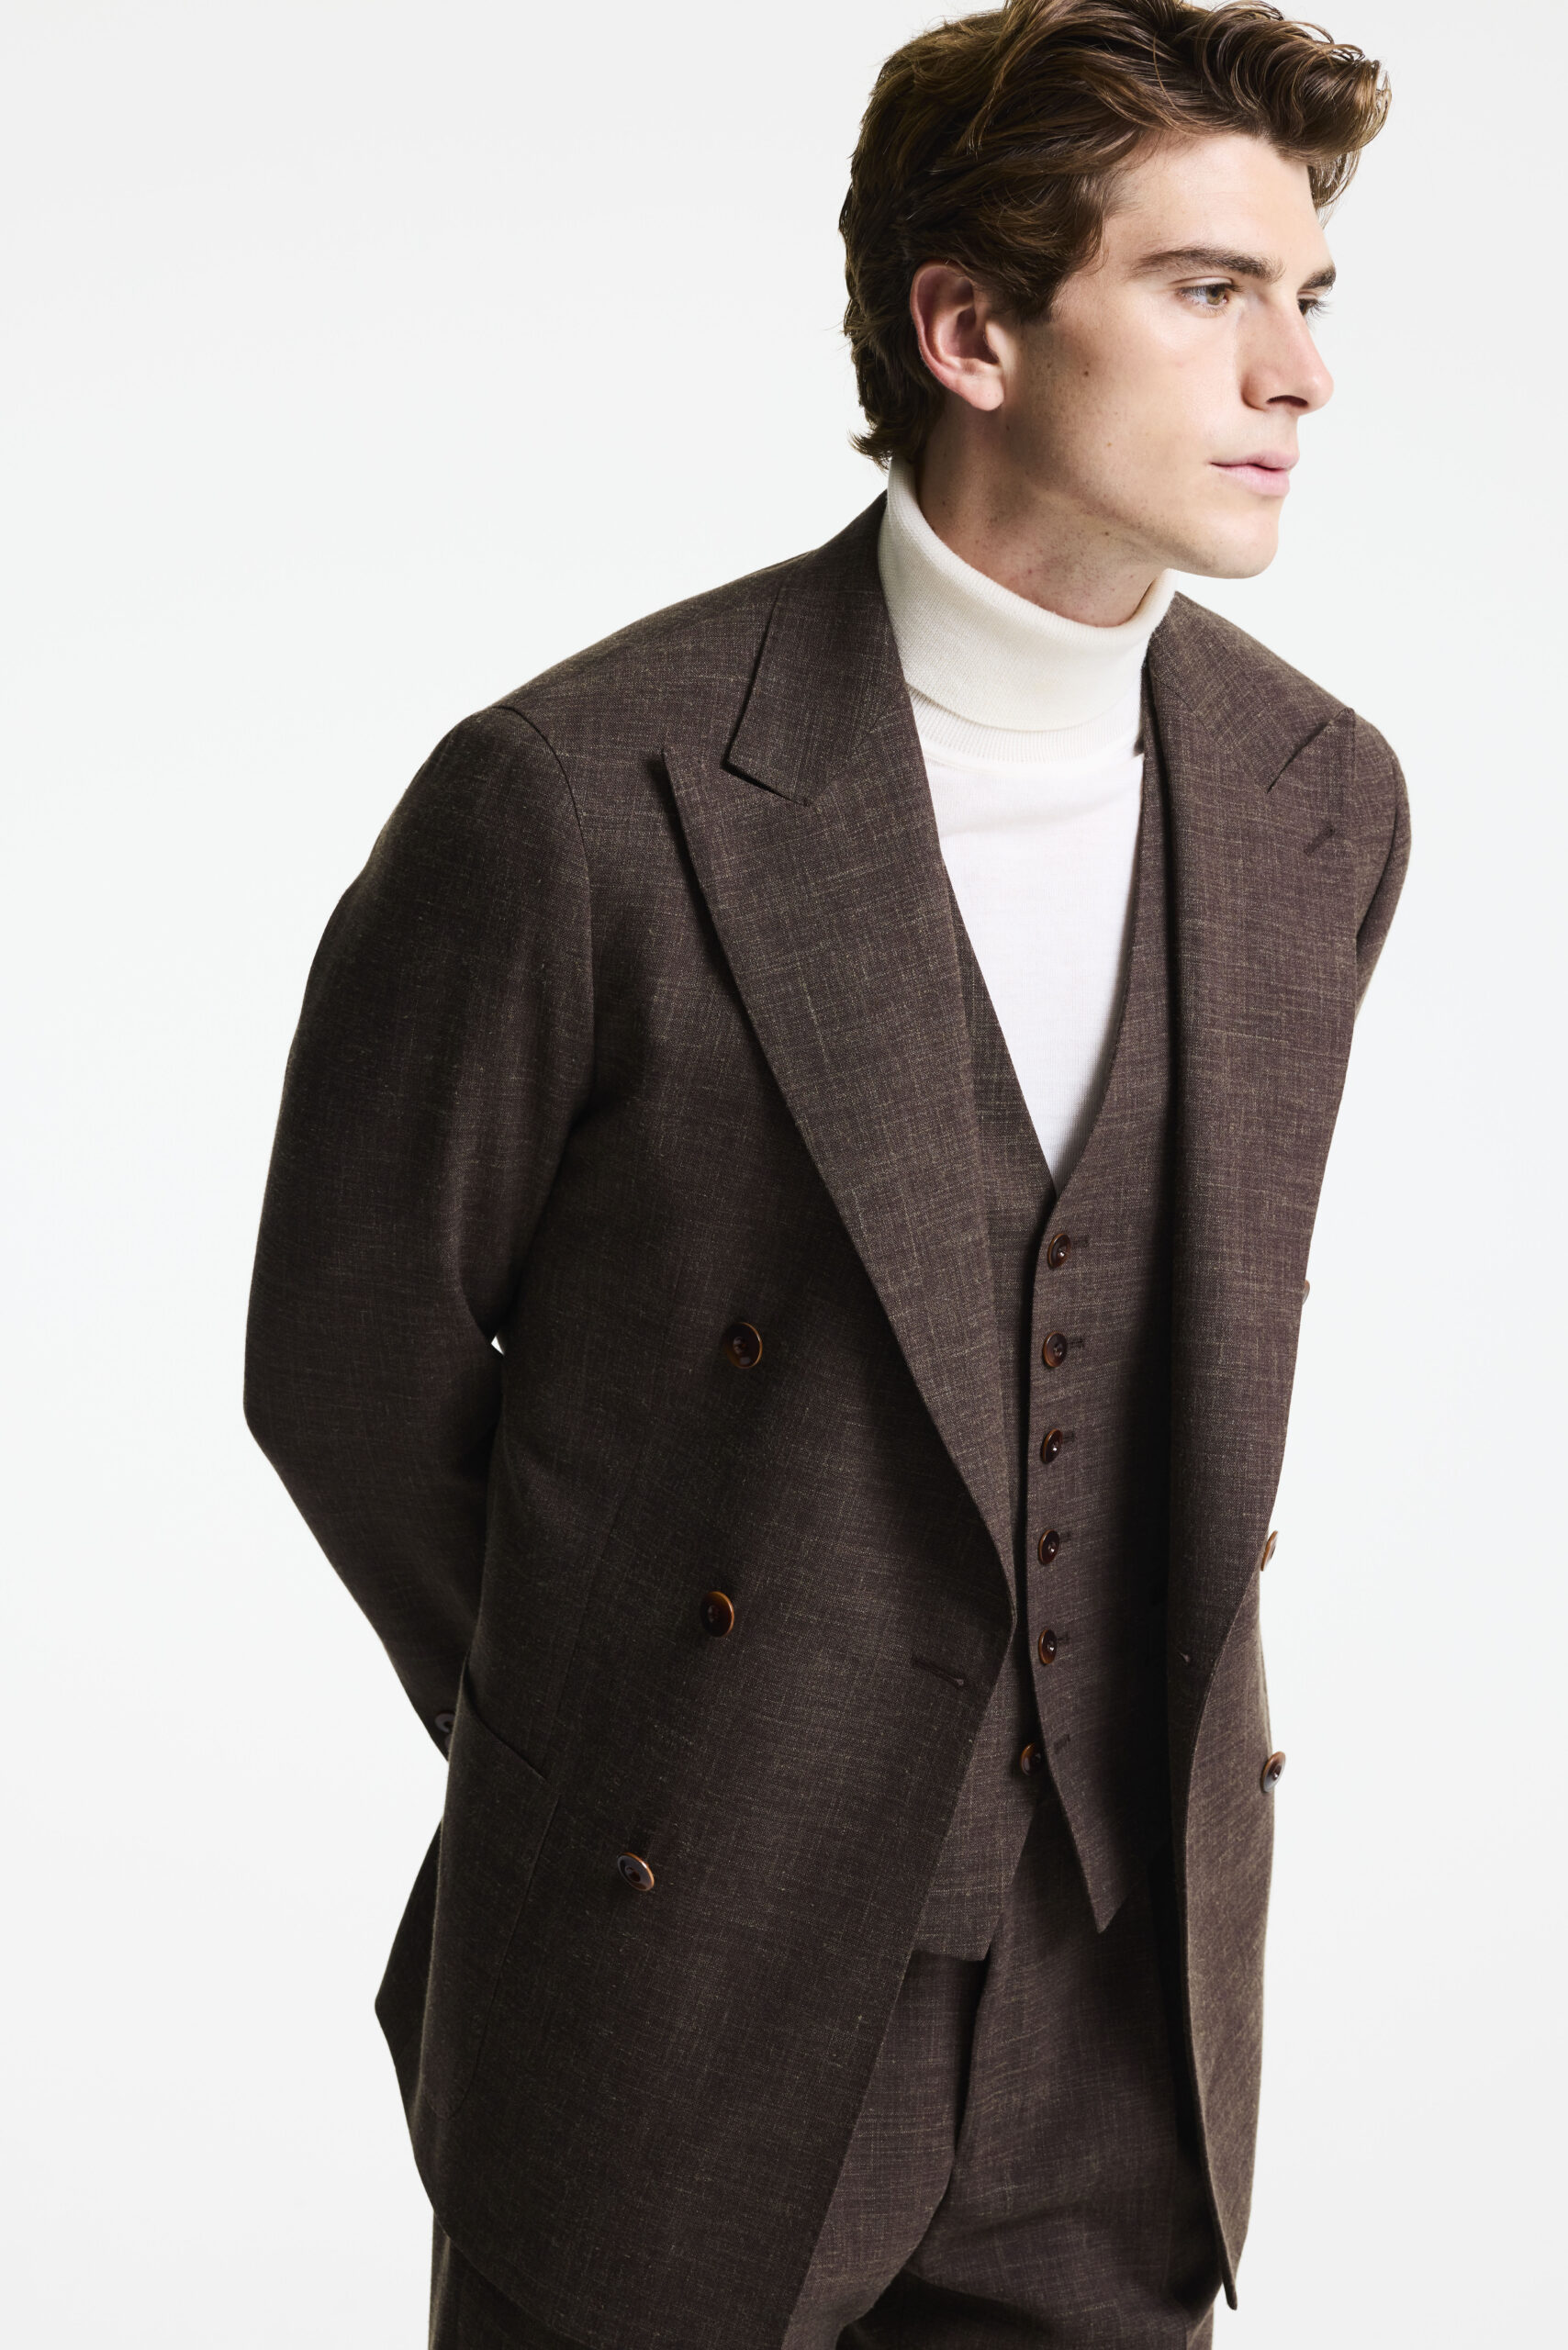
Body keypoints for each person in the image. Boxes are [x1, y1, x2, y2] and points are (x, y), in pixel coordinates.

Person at [244, 3, 1408, 2343]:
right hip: (670, 1989)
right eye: (1204, 289)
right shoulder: (578, 797)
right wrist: (653, 1749)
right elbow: (349, 1366)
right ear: (967, 330)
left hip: (1125, 2024)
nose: (1294, 373)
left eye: (1304, 296)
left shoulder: (1316, 801)